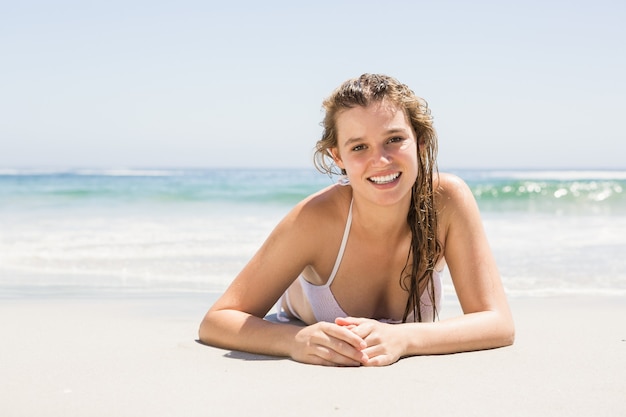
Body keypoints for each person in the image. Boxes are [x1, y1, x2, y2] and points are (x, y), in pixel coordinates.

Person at [198, 73, 514, 366]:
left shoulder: (446, 201)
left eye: (394, 139)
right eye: (359, 147)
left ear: (419, 140)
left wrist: (404, 338)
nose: (380, 160)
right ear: (339, 157)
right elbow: (219, 319)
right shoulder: (316, 220)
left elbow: (497, 322)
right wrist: (294, 341)